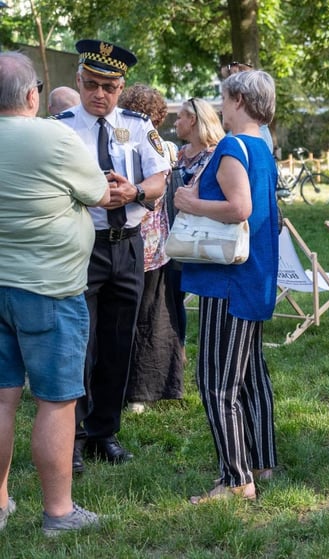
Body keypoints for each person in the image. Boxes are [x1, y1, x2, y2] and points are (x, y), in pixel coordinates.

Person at [0, 51, 104, 535]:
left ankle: (0, 503)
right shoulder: (54, 137)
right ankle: (59, 513)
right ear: (31, 95)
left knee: (2, 400)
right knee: (56, 401)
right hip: (49, 290)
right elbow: (98, 192)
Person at [55, 40, 169, 474]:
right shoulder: (61, 128)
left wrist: (134, 191)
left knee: (120, 342)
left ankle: (104, 432)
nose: (99, 94)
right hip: (81, 246)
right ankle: (73, 437)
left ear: (121, 88)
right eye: (91, 84)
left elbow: (159, 179)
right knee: (79, 344)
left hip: (128, 244)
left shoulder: (138, 126)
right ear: (78, 81)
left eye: (108, 87)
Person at [175, 70, 280, 503]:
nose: (220, 105)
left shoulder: (233, 146)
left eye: (224, 97)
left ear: (238, 99)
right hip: (255, 275)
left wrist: (190, 202)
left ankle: (237, 481)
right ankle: (262, 461)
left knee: (217, 383)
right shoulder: (262, 147)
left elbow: (239, 208)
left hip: (229, 280)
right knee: (250, 373)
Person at [119, 84, 184, 412]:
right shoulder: (167, 148)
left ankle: (125, 388)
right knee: (151, 318)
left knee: (125, 317)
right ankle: (142, 391)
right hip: (157, 244)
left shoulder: (123, 145)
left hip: (129, 240)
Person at [168, 97, 226, 355]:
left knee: (208, 296)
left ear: (192, 120)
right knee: (173, 293)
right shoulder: (180, 153)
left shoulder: (216, 155)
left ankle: (212, 350)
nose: (176, 122)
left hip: (207, 235)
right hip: (178, 234)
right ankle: (178, 351)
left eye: (180, 117)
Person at [219, 60, 274, 152]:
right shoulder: (261, 137)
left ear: (238, 99)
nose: (221, 109)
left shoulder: (233, 144)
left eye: (224, 98)